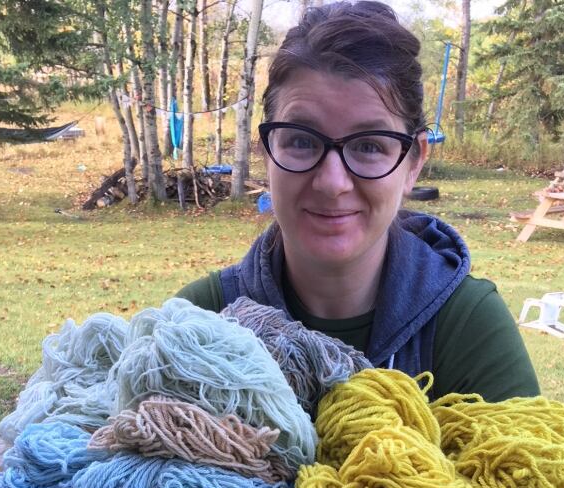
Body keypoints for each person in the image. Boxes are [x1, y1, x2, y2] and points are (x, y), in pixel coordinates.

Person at [177, 0, 539, 402]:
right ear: (266, 152)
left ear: (413, 162)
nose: (333, 183)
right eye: (300, 140)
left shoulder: (467, 329)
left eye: (369, 145)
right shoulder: (199, 318)